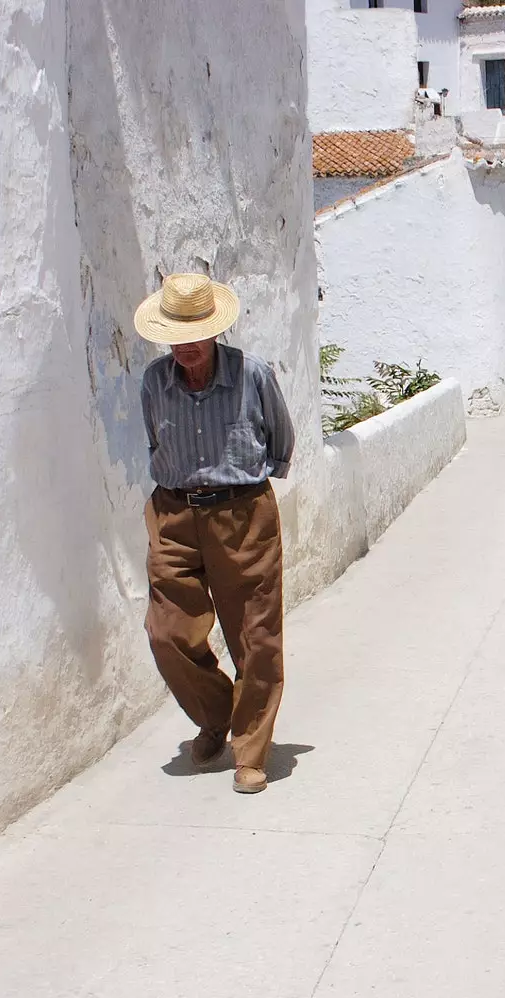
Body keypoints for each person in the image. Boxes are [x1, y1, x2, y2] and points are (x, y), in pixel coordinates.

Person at [134, 274, 295, 794]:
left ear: (216, 330)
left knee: (255, 637)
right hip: (174, 515)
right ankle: (217, 711)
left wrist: (241, 487)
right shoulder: (154, 382)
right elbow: (154, 438)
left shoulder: (253, 375)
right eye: (176, 338)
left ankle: (251, 748)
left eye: (195, 336)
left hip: (242, 515)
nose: (185, 349)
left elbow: (281, 441)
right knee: (167, 633)